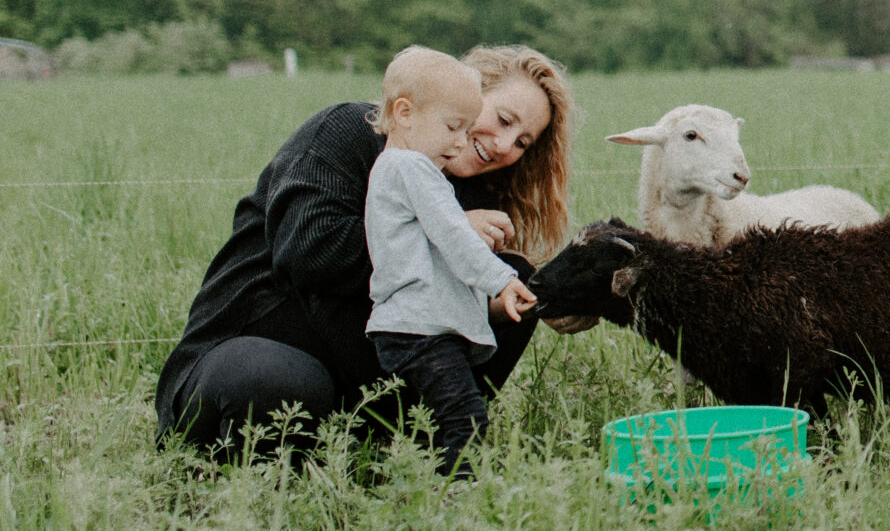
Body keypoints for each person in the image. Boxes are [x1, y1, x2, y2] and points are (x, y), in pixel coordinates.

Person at [155, 44, 580, 459]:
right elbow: (308, 251)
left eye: (522, 142)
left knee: (516, 283)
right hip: (257, 343)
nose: (505, 145)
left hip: (356, 378)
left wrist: (524, 300)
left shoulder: (467, 197)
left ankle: (416, 442)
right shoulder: (351, 132)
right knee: (282, 384)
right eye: (503, 119)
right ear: (465, 93)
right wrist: (440, 234)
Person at [363, 48, 542, 475]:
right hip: (421, 329)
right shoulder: (413, 169)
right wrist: (502, 279)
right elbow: (454, 236)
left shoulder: (392, 167)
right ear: (404, 114)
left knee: (441, 418)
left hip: (410, 326)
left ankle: (419, 481)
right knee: (466, 418)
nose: (461, 142)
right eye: (452, 127)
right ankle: (459, 497)